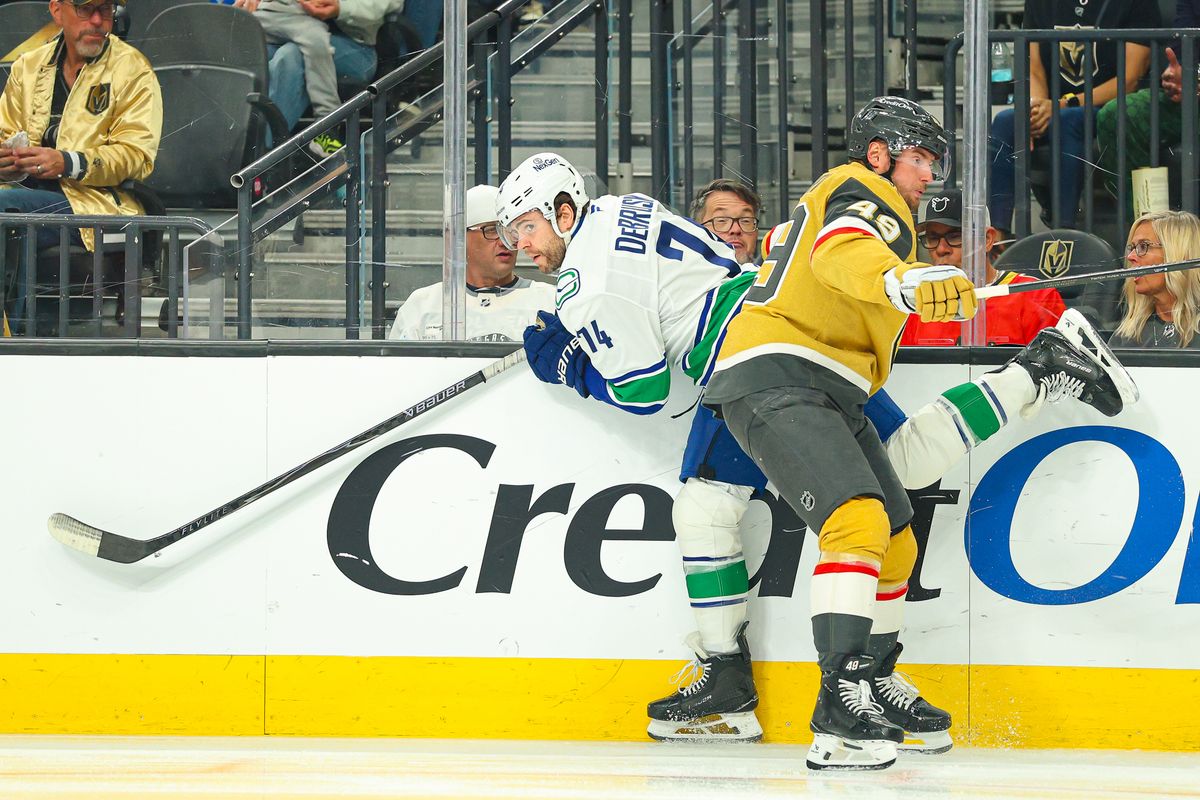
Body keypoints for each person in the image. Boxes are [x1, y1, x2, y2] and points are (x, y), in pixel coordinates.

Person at [501, 113, 1138, 765]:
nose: (523, 245)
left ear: (561, 208)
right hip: (792, 334)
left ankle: (745, 683)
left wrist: (570, 362)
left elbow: (642, 388)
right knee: (890, 496)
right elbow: (752, 256)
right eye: (923, 160)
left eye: (525, 227)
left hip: (750, 350)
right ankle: (856, 680)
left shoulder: (589, 279)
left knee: (725, 509)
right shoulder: (623, 208)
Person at [700, 96, 1139, 770]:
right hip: (779, 373)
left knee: (896, 541)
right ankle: (839, 701)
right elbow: (841, 250)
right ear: (878, 152)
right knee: (856, 521)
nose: (929, 171)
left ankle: (872, 678)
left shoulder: (878, 210)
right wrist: (903, 281)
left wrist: (917, 282)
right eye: (919, 155)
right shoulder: (864, 189)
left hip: (824, 384)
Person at [0, 0, 162, 334]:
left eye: (106, 9)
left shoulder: (132, 69)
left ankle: (14, 338)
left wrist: (68, 162)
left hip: (98, 201)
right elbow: (5, 133)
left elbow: (137, 154)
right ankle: (18, 337)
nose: (99, 21)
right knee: (17, 216)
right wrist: (7, 163)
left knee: (8, 210)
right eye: (86, 9)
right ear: (58, 11)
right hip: (29, 195)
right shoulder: (27, 67)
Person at [988, 0, 1153, 232]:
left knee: (1067, 121)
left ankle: (1064, 231)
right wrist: (1036, 110)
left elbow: (1129, 80)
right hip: (1055, 107)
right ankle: (997, 235)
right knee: (1006, 121)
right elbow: (1034, 67)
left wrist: (1062, 105)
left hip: (1109, 108)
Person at [899, 188, 1065, 346]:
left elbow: (1057, 373)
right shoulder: (917, 302)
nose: (941, 249)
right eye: (933, 238)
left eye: (955, 236)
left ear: (987, 240)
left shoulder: (1034, 295)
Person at [388, 184, 554, 341]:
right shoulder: (422, 306)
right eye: (491, 230)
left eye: (510, 232)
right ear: (460, 238)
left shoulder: (549, 301)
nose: (505, 242)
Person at [1096, 1, 1200, 221]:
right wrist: (1177, 73)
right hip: (1193, 98)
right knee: (1118, 115)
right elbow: (1181, 47)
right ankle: (1149, 232)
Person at [1109, 209, 1200, 348]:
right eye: (1132, 248)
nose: (1131, 256)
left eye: (1143, 246)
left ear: (1177, 255)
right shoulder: (1128, 335)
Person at [691, 178, 761, 266]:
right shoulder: (679, 278)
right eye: (721, 220)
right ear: (697, 231)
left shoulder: (772, 278)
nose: (736, 230)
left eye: (746, 221)